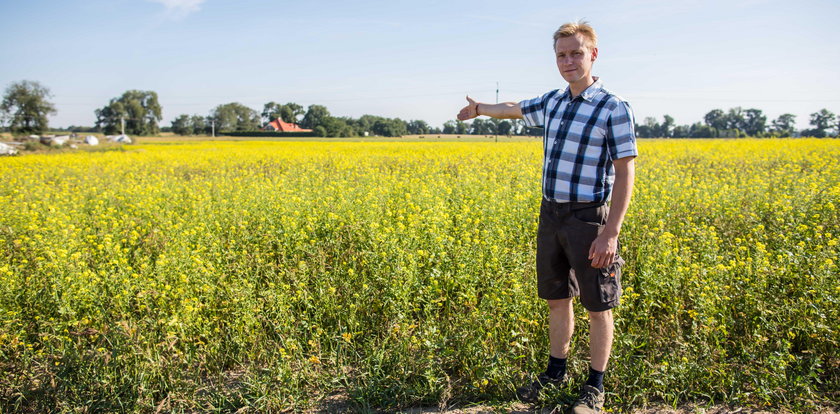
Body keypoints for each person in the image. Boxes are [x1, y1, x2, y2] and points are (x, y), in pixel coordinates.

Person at [457, 21, 637, 414]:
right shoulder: (554, 101)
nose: (568, 61)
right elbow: (515, 108)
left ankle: (595, 388)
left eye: (576, 53)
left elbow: (625, 170)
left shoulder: (613, 106)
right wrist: (480, 109)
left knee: (597, 304)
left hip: (590, 218)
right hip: (551, 214)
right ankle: (556, 373)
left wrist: (611, 232)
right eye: (561, 54)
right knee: (557, 299)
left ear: (593, 54)